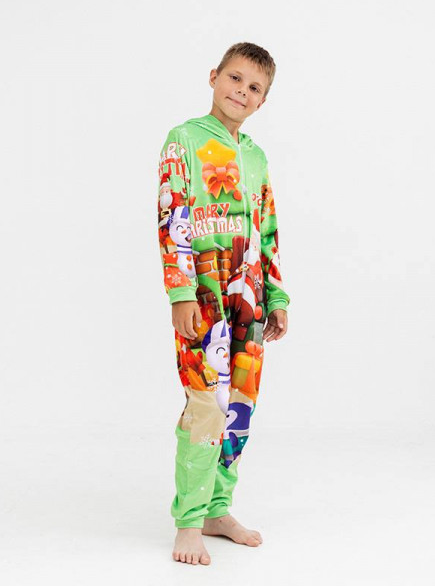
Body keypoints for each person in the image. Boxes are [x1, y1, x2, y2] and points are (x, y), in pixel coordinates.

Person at [156, 42, 290, 565]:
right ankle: (189, 521)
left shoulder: (256, 157)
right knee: (205, 406)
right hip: (204, 298)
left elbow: (267, 231)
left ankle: (217, 508)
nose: (242, 91)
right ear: (213, 77)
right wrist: (180, 291)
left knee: (239, 407)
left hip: (249, 303)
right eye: (234, 78)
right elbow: (172, 216)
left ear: (263, 101)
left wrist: (276, 295)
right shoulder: (185, 140)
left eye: (254, 87)